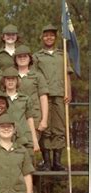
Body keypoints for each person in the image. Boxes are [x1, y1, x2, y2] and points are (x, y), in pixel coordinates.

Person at [33, 24, 72, 171]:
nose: (49, 38)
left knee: (59, 127)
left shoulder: (62, 55)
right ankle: (47, 161)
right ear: (42, 38)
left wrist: (68, 91)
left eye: (51, 35)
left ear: (55, 38)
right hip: (44, 95)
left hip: (60, 95)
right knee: (45, 128)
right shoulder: (37, 56)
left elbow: (67, 74)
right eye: (46, 35)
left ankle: (57, 161)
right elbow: (34, 77)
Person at [14, 45, 50, 168]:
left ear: (30, 59)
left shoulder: (37, 76)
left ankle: (31, 184)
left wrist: (44, 120)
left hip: (34, 118)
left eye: (25, 56)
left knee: (29, 151)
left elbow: (43, 97)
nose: (22, 58)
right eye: (19, 56)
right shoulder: (11, 76)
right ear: (15, 59)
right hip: (15, 118)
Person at [1, 67, 39, 155]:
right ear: (4, 81)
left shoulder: (25, 99)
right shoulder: (0, 100)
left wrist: (34, 139)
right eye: (8, 79)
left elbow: (30, 119)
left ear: (17, 81)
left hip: (24, 135)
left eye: (13, 79)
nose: (10, 82)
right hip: (6, 136)